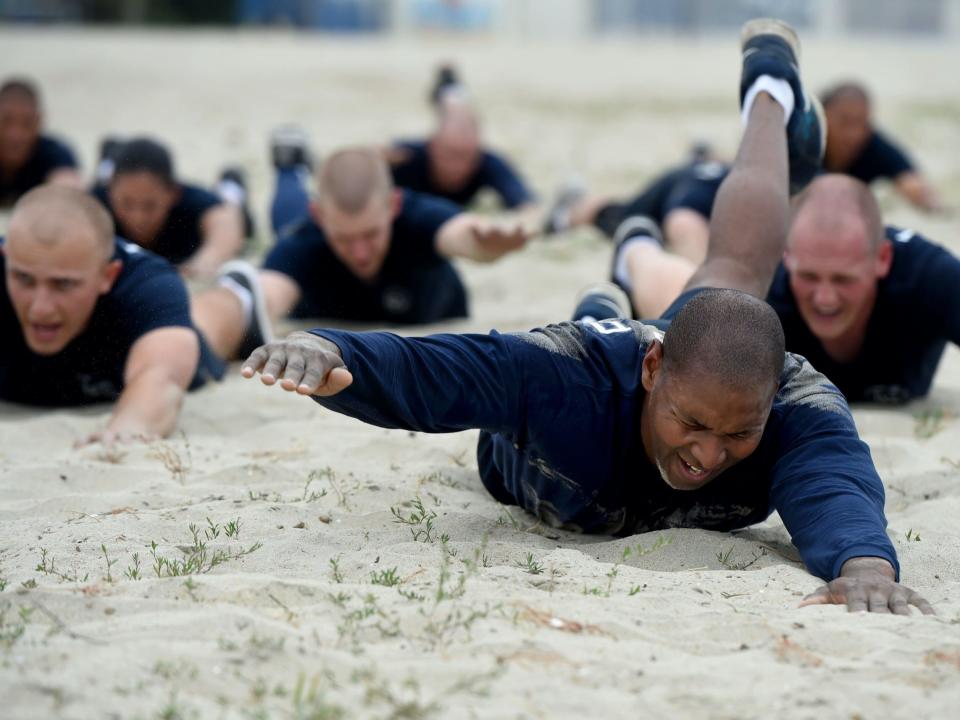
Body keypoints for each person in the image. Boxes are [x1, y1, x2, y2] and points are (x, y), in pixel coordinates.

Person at [241, 20, 933, 615]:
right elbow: (449, 371)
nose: (708, 455)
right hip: (537, 445)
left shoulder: (792, 404)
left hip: (697, 353)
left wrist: (863, 566)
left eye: (739, 434)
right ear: (654, 366)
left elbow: (835, 481)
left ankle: (769, 91)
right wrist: (335, 355)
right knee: (604, 321)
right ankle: (605, 300)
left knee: (735, 275)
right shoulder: (565, 379)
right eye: (691, 423)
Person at [191, 145, 528, 363]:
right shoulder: (305, 240)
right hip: (306, 229)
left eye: (370, 234)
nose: (360, 252)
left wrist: (486, 244)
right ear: (321, 217)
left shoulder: (416, 215)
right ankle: (289, 168)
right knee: (287, 223)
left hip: (431, 314)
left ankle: (293, 166)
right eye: (344, 238)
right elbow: (261, 294)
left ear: (393, 205)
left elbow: (460, 234)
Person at [0, 185, 225, 444]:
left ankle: (239, 291)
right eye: (24, 279)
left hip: (172, 357)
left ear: (108, 275)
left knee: (210, 322)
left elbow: (161, 379)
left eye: (63, 285)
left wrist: (125, 432)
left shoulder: (148, 285)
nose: (40, 308)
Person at [768, 174, 960, 404]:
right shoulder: (762, 297)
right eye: (809, 276)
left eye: (843, 279)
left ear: (883, 258)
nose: (824, 299)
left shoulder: (928, 276)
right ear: (787, 256)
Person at [92, 137, 247, 281]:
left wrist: (204, 262)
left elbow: (226, 223)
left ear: (173, 194)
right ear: (110, 192)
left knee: (232, 205)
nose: (137, 217)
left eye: (150, 206)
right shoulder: (97, 201)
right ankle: (108, 159)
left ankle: (230, 185)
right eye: (127, 204)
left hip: (214, 203)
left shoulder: (189, 200)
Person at [386, 69, 537, 212]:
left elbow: (523, 200)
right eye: (449, 155)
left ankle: (451, 90)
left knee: (459, 109)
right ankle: (449, 90)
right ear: (432, 146)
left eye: (466, 158)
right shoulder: (406, 155)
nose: (457, 167)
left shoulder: (486, 162)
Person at [544, 158, 730, 266]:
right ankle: (567, 214)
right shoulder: (692, 206)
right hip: (686, 191)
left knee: (627, 211)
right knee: (620, 218)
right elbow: (682, 222)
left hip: (704, 173)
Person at [821, 81, 940, 212]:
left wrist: (928, 202)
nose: (854, 134)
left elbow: (913, 184)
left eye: (862, 123)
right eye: (845, 122)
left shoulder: (873, 145)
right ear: (822, 116)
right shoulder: (802, 145)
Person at [0, 78, 82, 208]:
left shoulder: (56, 152)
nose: (16, 135)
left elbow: (70, 197)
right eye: (6, 122)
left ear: (39, 121)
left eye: (27, 123)